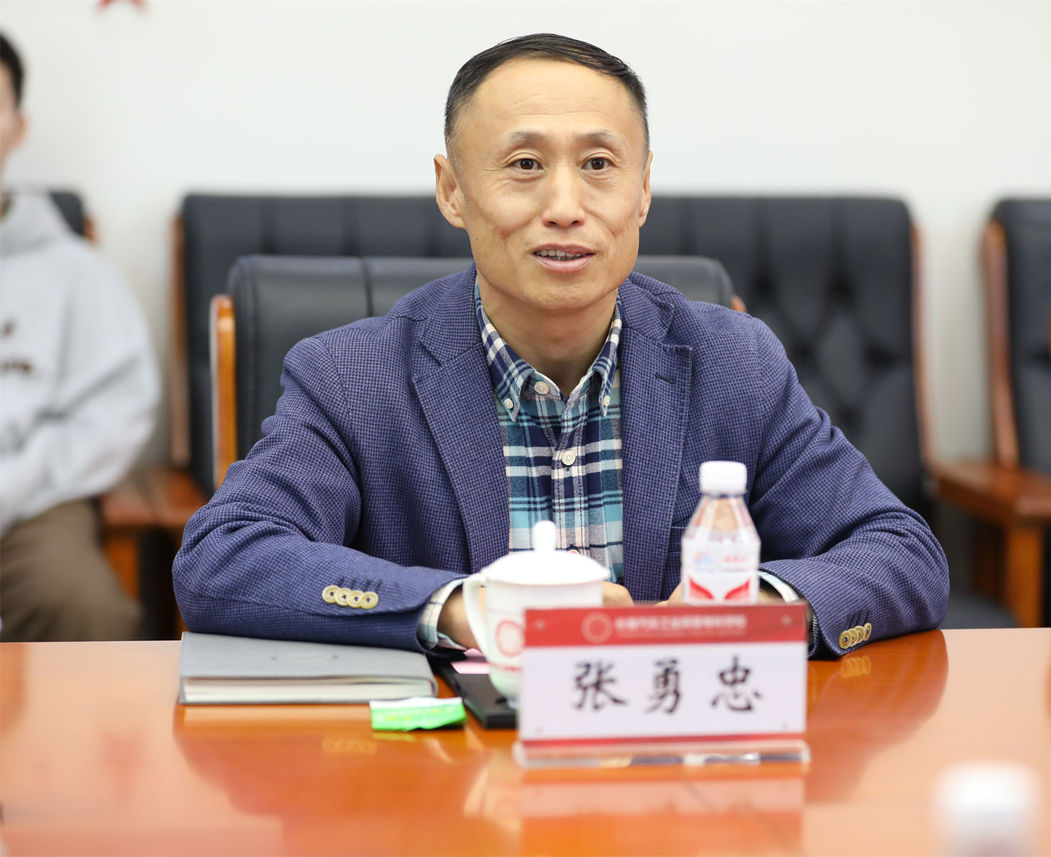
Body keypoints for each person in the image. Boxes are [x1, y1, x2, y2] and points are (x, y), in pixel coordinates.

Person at [174, 33, 948, 657]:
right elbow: (224, 556)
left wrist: (765, 603)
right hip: (450, 777)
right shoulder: (351, 377)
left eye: (599, 165)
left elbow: (898, 548)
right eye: (524, 165)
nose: (566, 206)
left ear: (643, 188)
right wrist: (459, 608)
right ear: (452, 189)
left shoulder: (731, 362)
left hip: (669, 764)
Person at [0, 32, 159, 640]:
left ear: (18, 127)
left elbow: (114, 412)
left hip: (31, 506)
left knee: (83, 606)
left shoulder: (76, 272)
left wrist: (18, 482)